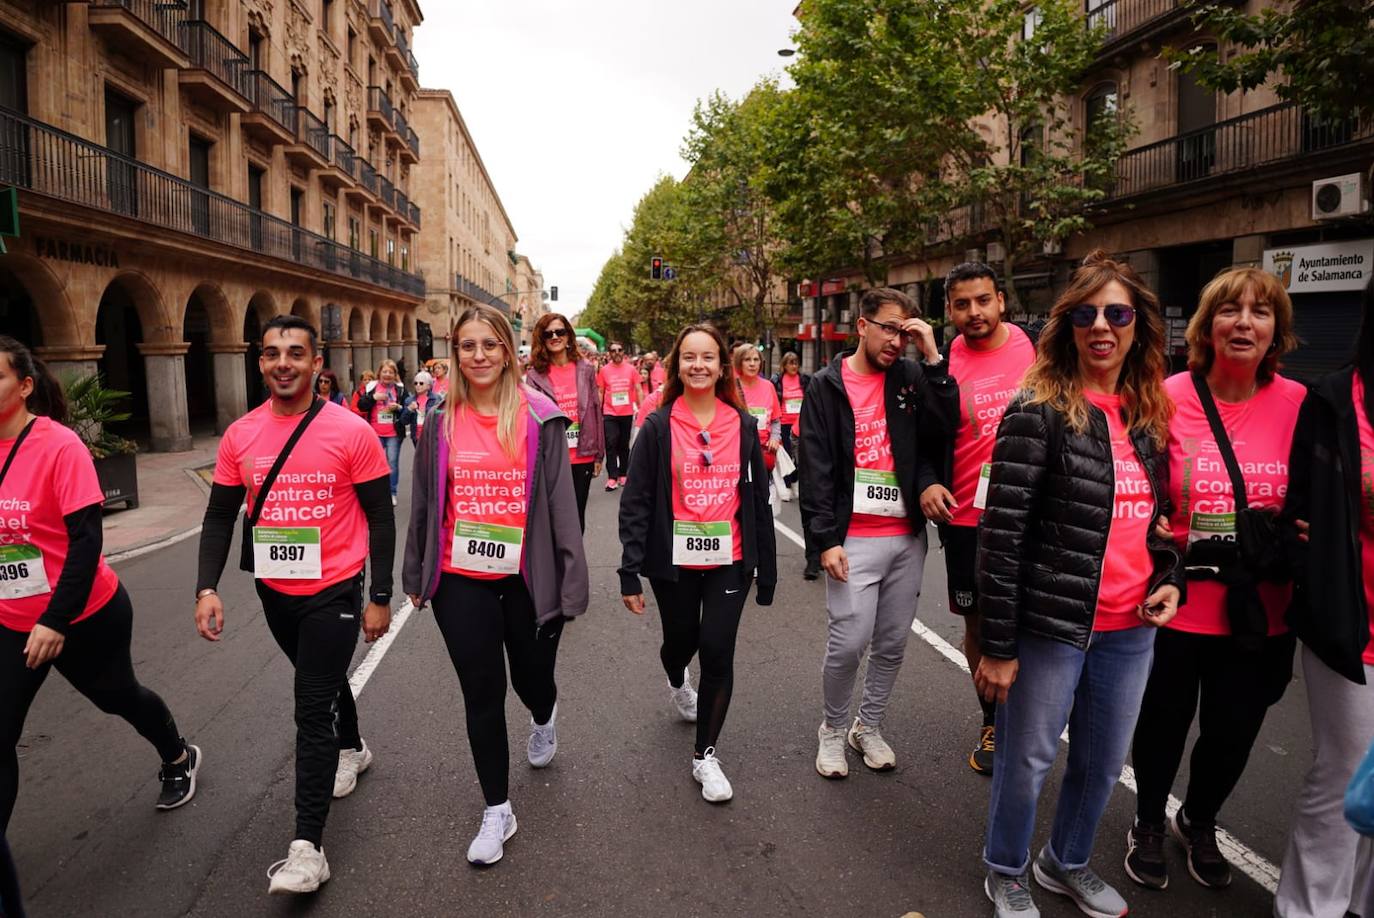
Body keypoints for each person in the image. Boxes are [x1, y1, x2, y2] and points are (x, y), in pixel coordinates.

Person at [975, 251, 1182, 918]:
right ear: (1068, 327)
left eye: (1117, 314)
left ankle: (1064, 863)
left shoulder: (1146, 413)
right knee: (1027, 760)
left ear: (1137, 327)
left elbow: (1159, 521)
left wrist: (1168, 578)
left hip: (1129, 630)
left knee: (1101, 763)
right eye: (1087, 314)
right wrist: (999, 647)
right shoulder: (1036, 410)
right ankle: (1005, 868)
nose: (1102, 326)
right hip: (1051, 628)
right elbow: (1001, 536)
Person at [195, 315, 394, 895]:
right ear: (260, 362)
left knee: (309, 706)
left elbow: (381, 517)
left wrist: (378, 596)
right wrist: (207, 588)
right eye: (273, 353)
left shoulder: (350, 430)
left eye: (295, 353)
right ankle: (353, 747)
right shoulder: (240, 435)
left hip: (334, 585)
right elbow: (218, 517)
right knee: (323, 683)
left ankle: (308, 848)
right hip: (275, 588)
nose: (284, 362)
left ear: (315, 362)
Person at [1124, 267, 1304, 892]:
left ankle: (1198, 818)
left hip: (1260, 608)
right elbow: (1137, 491)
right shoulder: (1165, 395)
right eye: (1230, 310)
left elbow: (1315, 496)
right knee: (1162, 724)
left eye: (1260, 312)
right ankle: (1147, 819)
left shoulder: (1300, 404)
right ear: (1207, 326)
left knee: (1234, 730)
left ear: (1276, 330)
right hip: (1177, 600)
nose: (1244, 322)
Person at [403, 304, 589, 866]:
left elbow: (562, 507)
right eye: (467, 346)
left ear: (508, 351)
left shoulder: (540, 417)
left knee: (532, 681)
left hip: (527, 579)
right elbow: (424, 503)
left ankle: (543, 713)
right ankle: (496, 809)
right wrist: (416, 572)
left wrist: (572, 583)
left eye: (489, 345)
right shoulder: (438, 420)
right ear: (454, 353)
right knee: (481, 692)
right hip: (462, 580)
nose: (478, 356)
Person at [0, 336, 200, 841]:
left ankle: (177, 754)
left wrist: (55, 620)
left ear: (24, 386)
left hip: (85, 613)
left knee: (118, 697)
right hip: (10, 620)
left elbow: (86, 542)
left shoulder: (58, 445)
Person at [618, 324, 776, 803]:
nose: (699, 365)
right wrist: (629, 569)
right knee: (680, 642)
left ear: (721, 366)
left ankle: (705, 756)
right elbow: (637, 499)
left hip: (730, 560)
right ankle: (674, 678)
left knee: (717, 649)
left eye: (708, 357)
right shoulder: (659, 427)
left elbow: (757, 499)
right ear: (676, 365)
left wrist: (765, 568)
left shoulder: (743, 425)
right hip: (676, 561)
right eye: (690, 357)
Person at [799, 288, 940, 779]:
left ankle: (869, 725)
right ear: (862, 326)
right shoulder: (826, 384)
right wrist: (824, 540)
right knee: (848, 642)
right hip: (851, 536)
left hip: (905, 536)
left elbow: (939, 434)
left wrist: (933, 356)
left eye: (905, 332)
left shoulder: (911, 376)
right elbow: (815, 464)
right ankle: (833, 730)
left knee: (893, 642)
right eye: (889, 329)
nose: (896, 341)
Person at [1276, 275, 1374, 918]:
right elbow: (1300, 505)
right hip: (1351, 621)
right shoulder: (1336, 398)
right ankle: (1308, 908)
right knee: (1345, 772)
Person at [918, 262, 1036, 777]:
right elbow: (924, 437)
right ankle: (992, 720)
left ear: (1001, 301)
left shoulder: (1037, 348)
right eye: (963, 304)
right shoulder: (941, 364)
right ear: (950, 310)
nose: (974, 313)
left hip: (1034, 512)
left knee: (1033, 619)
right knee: (979, 622)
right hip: (966, 516)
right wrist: (927, 481)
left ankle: (1032, 715)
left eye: (983, 300)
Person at [524, 312, 604, 532]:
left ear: (568, 336)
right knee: (553, 519)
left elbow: (596, 411)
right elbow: (531, 419)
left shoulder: (586, 369)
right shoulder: (534, 375)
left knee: (577, 517)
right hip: (551, 456)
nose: (554, 336)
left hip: (583, 455)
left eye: (559, 331)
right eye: (548, 333)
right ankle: (554, 565)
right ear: (542, 339)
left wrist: (599, 453)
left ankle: (573, 565)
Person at [357, 359, 406, 506]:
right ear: (379, 373)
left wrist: (399, 407)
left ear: (395, 375)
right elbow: (361, 406)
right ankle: (375, 492)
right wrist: (373, 398)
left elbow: (407, 409)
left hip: (392, 434)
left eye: (391, 372)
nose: (387, 375)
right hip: (374, 432)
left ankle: (392, 493)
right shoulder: (372, 387)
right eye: (385, 371)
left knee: (392, 463)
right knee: (373, 463)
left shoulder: (400, 389)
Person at [734, 344, 783, 479]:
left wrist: (774, 438)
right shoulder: (731, 388)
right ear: (739, 362)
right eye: (747, 360)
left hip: (763, 452)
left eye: (756, 360)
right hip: (738, 451)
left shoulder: (768, 386)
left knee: (762, 495)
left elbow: (775, 420)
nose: (752, 364)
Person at [598, 341, 640, 491]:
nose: (617, 352)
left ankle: (623, 474)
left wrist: (641, 407)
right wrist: (599, 409)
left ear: (623, 352)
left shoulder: (631, 369)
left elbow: (638, 388)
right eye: (613, 350)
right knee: (611, 443)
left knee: (623, 444)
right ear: (609, 353)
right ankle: (612, 477)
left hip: (627, 412)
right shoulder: (604, 370)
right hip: (609, 412)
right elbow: (601, 391)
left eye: (619, 350)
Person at [772, 351, 810, 506]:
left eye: (796, 362)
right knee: (788, 457)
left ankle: (796, 483)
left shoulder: (804, 380)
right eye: (791, 363)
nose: (794, 366)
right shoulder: (778, 381)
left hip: (801, 424)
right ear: (784, 365)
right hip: (785, 424)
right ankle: (788, 486)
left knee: (802, 457)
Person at [402, 371, 437, 446]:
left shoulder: (436, 399)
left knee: (431, 457)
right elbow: (404, 421)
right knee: (420, 457)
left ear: (428, 386)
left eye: (421, 383)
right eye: (415, 383)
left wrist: (428, 411)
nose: (418, 385)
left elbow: (441, 416)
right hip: (416, 436)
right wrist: (409, 409)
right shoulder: (409, 400)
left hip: (432, 435)